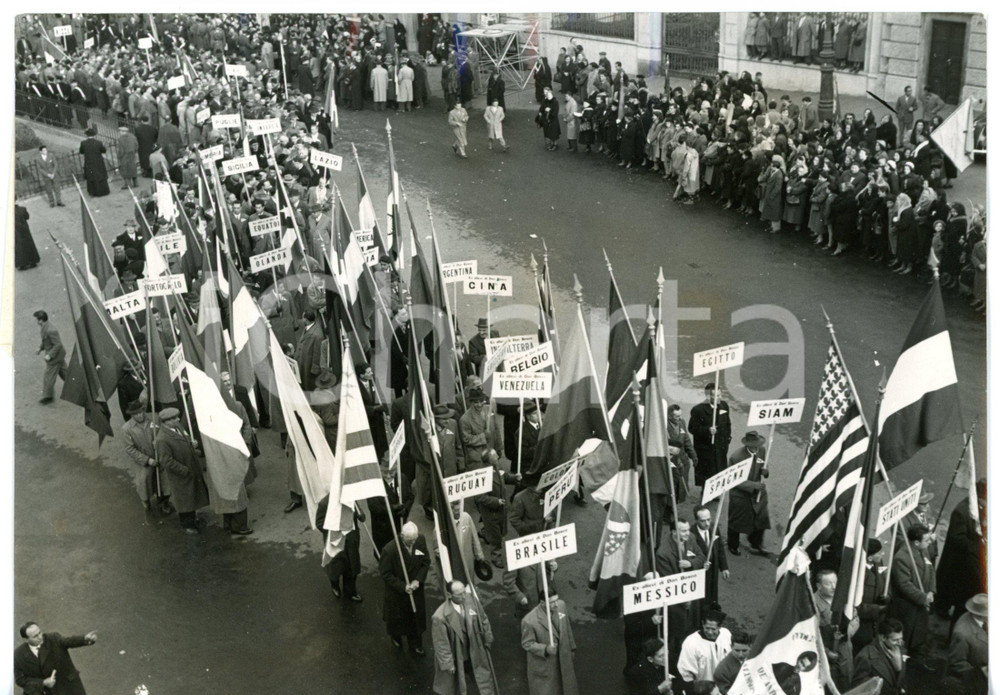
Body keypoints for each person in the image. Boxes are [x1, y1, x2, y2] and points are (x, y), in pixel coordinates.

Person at [656, 520, 706, 669]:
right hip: (676, 601)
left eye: (688, 530)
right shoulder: (663, 553)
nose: (687, 533)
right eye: (683, 531)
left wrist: (691, 564)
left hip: (692, 593)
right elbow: (668, 582)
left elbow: (701, 557)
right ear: (673, 532)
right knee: (677, 630)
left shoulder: (690, 538)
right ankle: (677, 661)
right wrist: (684, 599)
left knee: (692, 626)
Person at [431, 579, 495, 695]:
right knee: (457, 685)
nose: (464, 596)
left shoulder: (471, 600)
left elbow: (483, 619)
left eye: (464, 592)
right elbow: (441, 644)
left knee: (481, 678)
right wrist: (448, 664)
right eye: (459, 594)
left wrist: (488, 637)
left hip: (474, 648)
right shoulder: (440, 617)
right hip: (457, 654)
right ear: (450, 595)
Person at [936, 480, 986, 625]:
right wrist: (979, 547)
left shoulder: (978, 508)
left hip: (969, 558)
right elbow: (956, 537)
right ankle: (942, 610)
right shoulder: (961, 511)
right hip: (957, 560)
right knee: (952, 588)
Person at [154, 407, 210, 534]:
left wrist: (191, 443)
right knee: (184, 500)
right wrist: (183, 470)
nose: (178, 419)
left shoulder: (177, 427)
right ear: (166, 422)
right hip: (181, 475)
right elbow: (166, 461)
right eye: (174, 418)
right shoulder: (162, 439)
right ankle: (187, 525)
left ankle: (193, 518)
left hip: (191, 467)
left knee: (192, 497)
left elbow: (184, 438)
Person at [379, 521, 431, 656]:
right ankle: (396, 636)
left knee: (416, 619)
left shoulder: (420, 540)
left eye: (414, 540)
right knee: (398, 619)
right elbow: (386, 574)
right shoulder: (389, 550)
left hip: (415, 590)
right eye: (409, 541)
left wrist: (418, 580)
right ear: (402, 536)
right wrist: (403, 586)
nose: (412, 544)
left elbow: (426, 562)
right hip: (398, 593)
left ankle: (415, 644)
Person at [890, 523, 937, 666]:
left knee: (920, 635)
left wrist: (931, 591)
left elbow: (931, 570)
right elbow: (905, 585)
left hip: (922, 603)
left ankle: (917, 659)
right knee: (906, 637)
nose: (930, 542)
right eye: (927, 540)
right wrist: (923, 598)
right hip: (908, 607)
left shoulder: (923, 551)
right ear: (916, 542)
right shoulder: (902, 557)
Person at [520, 584, 578, 695]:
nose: (556, 604)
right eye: (552, 602)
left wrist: (572, 648)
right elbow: (527, 643)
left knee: (566, 688)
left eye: (557, 600)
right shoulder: (529, 621)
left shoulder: (562, 606)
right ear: (542, 603)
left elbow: (567, 628)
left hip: (563, 659)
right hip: (546, 665)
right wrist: (545, 649)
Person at [13, 621, 97, 695]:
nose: (40, 637)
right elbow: (20, 680)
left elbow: (68, 641)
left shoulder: (53, 638)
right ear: (26, 640)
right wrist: (43, 683)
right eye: (35, 636)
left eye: (40, 632)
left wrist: (84, 639)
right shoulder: (18, 654)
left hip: (68, 689)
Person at [122, 400, 173, 517]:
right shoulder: (127, 429)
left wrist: (159, 441)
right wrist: (147, 460)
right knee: (145, 482)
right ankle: (146, 501)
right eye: (136, 414)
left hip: (159, 456)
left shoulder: (154, 418)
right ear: (131, 415)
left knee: (165, 482)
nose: (139, 415)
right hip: (144, 461)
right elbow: (130, 449)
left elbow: (164, 431)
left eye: (141, 412)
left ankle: (164, 502)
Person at [726, 431, 771, 556]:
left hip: (759, 493)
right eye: (754, 446)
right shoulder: (736, 457)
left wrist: (766, 471)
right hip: (741, 495)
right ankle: (732, 544)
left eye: (758, 445)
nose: (756, 448)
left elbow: (764, 464)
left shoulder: (762, 450)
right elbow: (732, 480)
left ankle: (756, 543)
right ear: (748, 445)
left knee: (761, 518)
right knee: (737, 520)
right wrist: (753, 485)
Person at [317, 495, 362, 602]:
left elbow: (359, 514)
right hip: (335, 542)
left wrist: (360, 514)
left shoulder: (351, 498)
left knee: (351, 566)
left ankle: (350, 591)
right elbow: (319, 523)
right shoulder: (324, 503)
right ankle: (334, 585)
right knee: (336, 567)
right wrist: (335, 529)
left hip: (351, 540)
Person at [689, 383, 731, 489]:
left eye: (720, 395)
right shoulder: (698, 410)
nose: (719, 398)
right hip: (706, 448)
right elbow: (692, 428)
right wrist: (707, 430)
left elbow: (727, 423)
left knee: (719, 469)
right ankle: (706, 493)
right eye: (715, 396)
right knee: (707, 472)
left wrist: (727, 438)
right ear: (708, 396)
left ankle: (715, 490)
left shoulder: (724, 406)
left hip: (720, 446)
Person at [944, 593, 987, 695]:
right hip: (977, 679)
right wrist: (982, 673)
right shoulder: (962, 633)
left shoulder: (982, 620)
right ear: (980, 614)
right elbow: (957, 663)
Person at [676, 609, 732, 685]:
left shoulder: (726, 634)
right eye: (707, 628)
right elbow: (687, 670)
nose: (710, 632)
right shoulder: (691, 642)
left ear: (720, 627)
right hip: (703, 688)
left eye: (713, 629)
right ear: (703, 624)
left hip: (725, 684)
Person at [852, 618, 906, 695]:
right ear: (882, 637)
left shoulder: (900, 648)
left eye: (901, 639)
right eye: (895, 640)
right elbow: (859, 687)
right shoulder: (865, 656)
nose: (900, 643)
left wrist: (899, 669)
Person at [692, 505, 728, 610]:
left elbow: (720, 548)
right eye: (703, 521)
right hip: (700, 574)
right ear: (696, 520)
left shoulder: (714, 527)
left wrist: (724, 567)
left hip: (713, 571)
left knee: (712, 593)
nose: (707, 523)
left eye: (709, 519)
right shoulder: (691, 534)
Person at [34, 310, 66, 405]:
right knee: (66, 374)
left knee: (48, 377)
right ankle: (79, 386)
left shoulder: (50, 330)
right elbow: (46, 341)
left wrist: (49, 355)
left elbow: (58, 344)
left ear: (41, 320)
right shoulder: (45, 327)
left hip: (54, 358)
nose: (36, 321)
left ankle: (48, 397)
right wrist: (40, 348)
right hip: (58, 356)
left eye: (37, 319)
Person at [713, 629, 751, 694]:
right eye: (737, 650)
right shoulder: (722, 670)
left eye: (744, 651)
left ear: (750, 647)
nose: (740, 655)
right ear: (731, 647)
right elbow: (727, 692)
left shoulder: (757, 658)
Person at [295, 309, 323, 391]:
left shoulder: (317, 335)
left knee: (309, 387)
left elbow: (317, 353)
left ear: (306, 320)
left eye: (303, 318)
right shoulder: (309, 326)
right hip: (303, 362)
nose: (302, 320)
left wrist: (315, 369)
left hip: (308, 366)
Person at [78, 127, 109, 197]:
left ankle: (93, 192)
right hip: (98, 162)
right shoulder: (99, 143)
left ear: (87, 135)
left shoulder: (83, 143)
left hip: (89, 162)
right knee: (100, 176)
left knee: (91, 177)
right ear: (94, 135)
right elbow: (104, 150)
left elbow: (81, 151)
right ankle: (103, 191)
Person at [14, 204, 39, 271]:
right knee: (28, 243)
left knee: (18, 245)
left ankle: (22, 263)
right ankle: (33, 261)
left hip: (14, 231)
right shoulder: (22, 209)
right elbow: (27, 217)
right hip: (24, 229)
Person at [117, 125, 139, 189]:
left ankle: (128, 184)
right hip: (132, 155)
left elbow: (121, 150)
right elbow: (136, 145)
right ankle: (135, 183)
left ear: (123, 132)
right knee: (133, 168)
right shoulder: (133, 137)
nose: (120, 133)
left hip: (125, 156)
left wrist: (119, 156)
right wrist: (134, 152)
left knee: (125, 169)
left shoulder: (121, 139)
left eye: (120, 131)